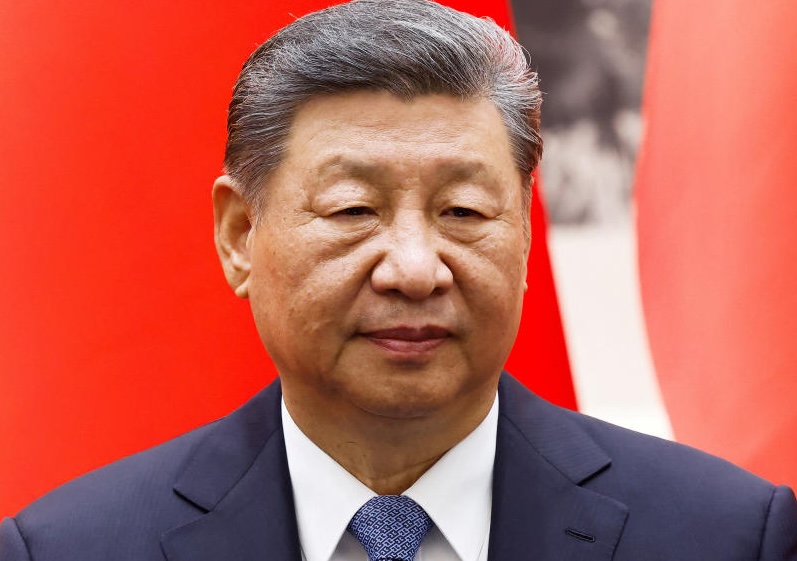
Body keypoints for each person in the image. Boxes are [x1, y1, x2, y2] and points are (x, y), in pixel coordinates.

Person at [1, 0, 795, 559]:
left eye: (462, 210)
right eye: (352, 209)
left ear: (523, 232)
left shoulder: (726, 535)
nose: (415, 269)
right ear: (241, 235)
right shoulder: (72, 546)